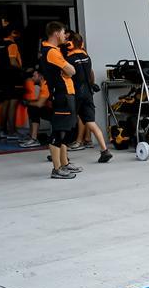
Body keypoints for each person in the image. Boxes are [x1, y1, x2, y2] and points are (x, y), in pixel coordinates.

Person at [41, 22, 81, 179]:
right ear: (56, 33)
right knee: (58, 132)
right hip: (61, 95)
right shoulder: (51, 52)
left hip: (67, 94)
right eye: (64, 33)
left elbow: (69, 71)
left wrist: (67, 70)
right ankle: (56, 169)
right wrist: (67, 70)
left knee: (66, 131)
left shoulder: (55, 51)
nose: (66, 36)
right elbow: (72, 70)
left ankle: (64, 164)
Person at [65, 34, 113, 162]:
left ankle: (61, 154)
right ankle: (104, 150)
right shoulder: (87, 56)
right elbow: (91, 73)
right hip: (87, 92)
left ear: (71, 44)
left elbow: (66, 74)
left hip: (76, 92)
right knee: (90, 121)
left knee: (66, 122)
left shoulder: (68, 58)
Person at [0, 29, 24, 140]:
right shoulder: (12, 45)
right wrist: (22, 69)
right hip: (12, 77)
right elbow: (13, 61)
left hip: (2, 77)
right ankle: (12, 132)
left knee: (4, 104)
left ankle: (2, 130)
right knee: (12, 104)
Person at [19, 68, 49, 148]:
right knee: (32, 107)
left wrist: (27, 102)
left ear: (41, 77)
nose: (32, 78)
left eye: (34, 76)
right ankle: (32, 136)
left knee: (34, 108)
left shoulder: (45, 85)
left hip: (58, 114)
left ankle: (34, 139)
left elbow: (39, 104)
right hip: (53, 111)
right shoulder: (43, 85)